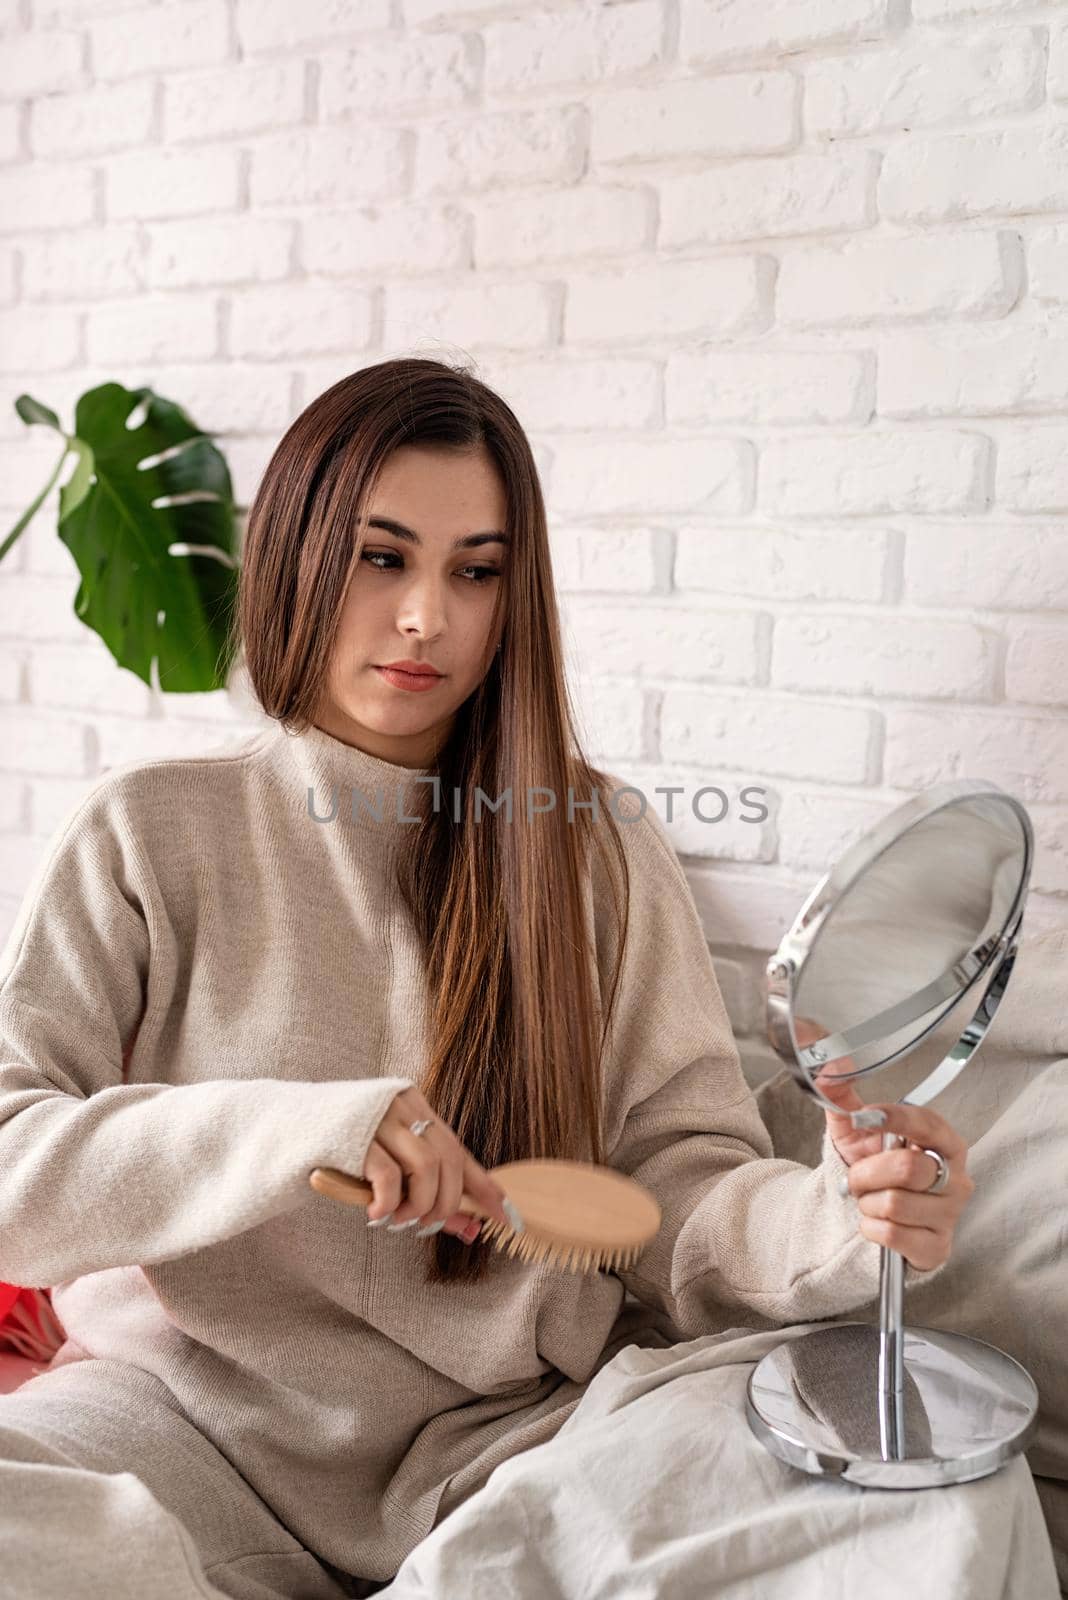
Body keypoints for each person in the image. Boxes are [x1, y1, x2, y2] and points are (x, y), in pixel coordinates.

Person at [0, 357, 973, 1600]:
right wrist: (312, 1123)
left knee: (933, 1493)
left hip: (508, 1446)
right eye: (381, 557)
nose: (427, 619)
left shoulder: (596, 846)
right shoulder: (149, 829)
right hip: (175, 1431)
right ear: (298, 555)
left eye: (476, 571)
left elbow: (675, 1185)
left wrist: (845, 1213)